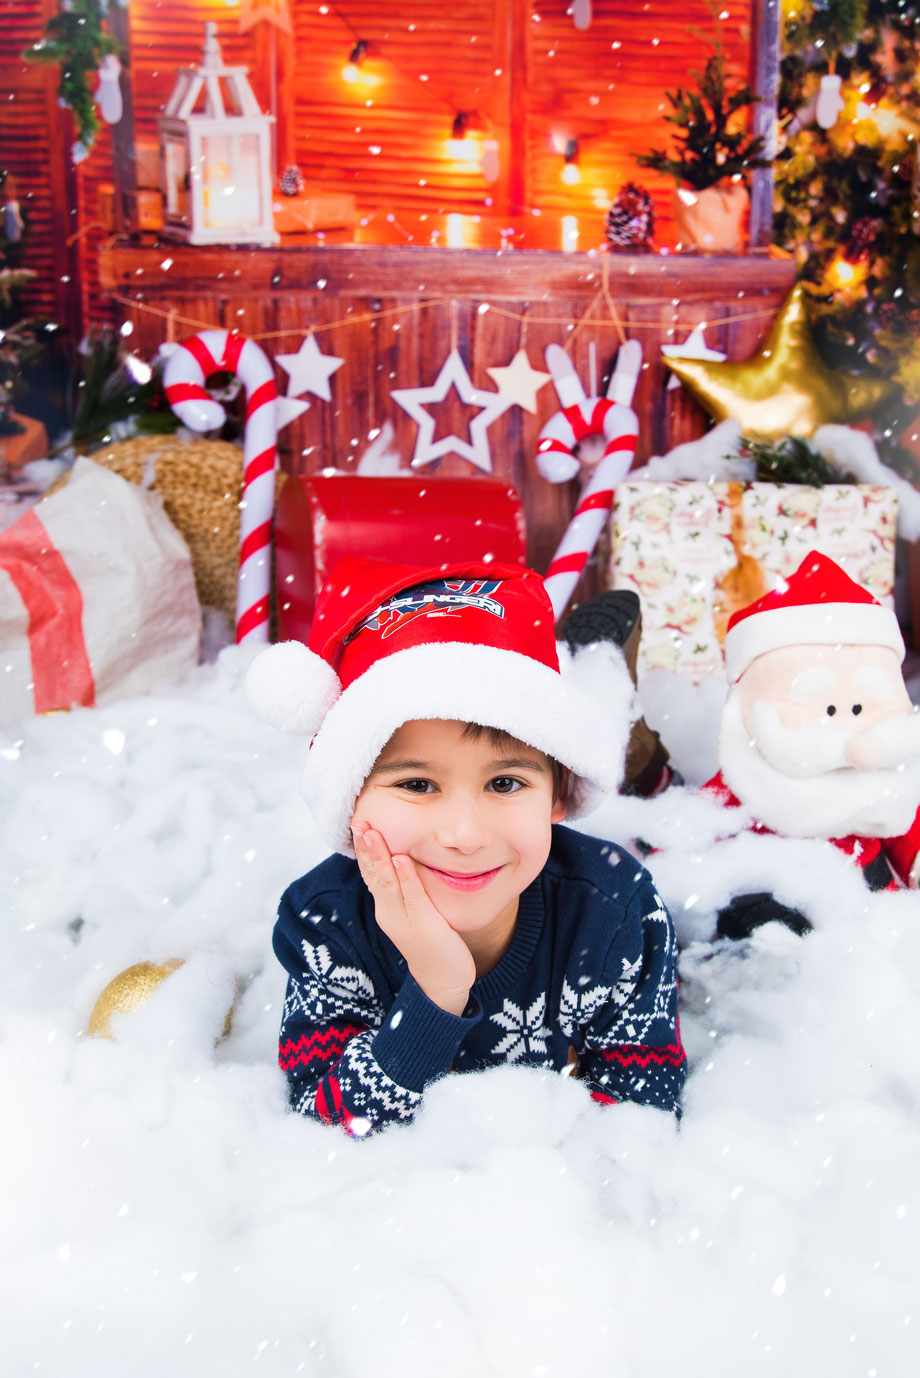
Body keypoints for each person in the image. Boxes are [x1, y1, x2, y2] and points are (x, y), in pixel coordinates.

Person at [247, 557, 686, 1135]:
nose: (464, 835)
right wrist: (435, 992)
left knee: (668, 820)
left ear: (558, 795)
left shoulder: (612, 908)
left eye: (505, 784)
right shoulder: (325, 923)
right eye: (416, 785)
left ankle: (624, 714)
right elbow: (325, 1128)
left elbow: (644, 1117)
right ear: (349, 800)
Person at [701, 550, 920, 939]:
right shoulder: (748, 777)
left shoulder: (890, 776)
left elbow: (908, 833)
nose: (846, 720)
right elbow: (700, 825)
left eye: (866, 701)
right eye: (822, 702)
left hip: (877, 914)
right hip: (782, 909)